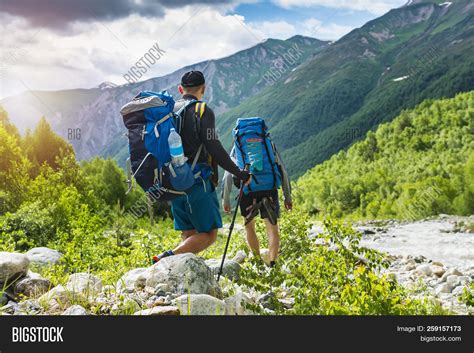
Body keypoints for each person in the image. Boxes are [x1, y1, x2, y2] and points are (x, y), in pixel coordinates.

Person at [152, 71, 250, 263]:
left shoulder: (168, 112)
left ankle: (178, 276)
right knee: (209, 234)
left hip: (172, 182)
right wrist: (239, 172)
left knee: (189, 232)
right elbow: (214, 147)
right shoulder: (202, 110)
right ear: (203, 89)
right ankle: (167, 258)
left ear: (181, 89)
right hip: (197, 182)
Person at [222, 129, 292, 268]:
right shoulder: (268, 144)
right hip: (269, 187)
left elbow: (228, 175)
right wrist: (287, 196)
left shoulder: (238, 146)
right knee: (272, 228)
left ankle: (258, 262)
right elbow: (282, 169)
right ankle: (273, 264)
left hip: (247, 189)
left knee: (249, 227)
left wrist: (226, 200)